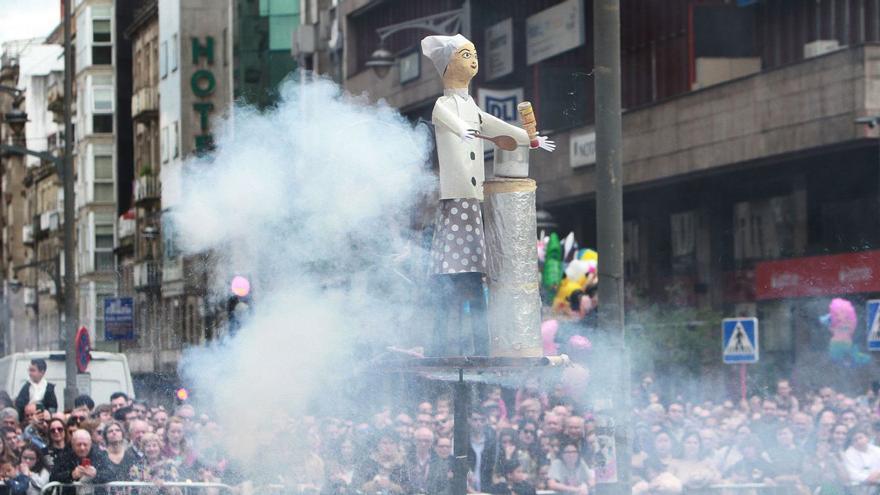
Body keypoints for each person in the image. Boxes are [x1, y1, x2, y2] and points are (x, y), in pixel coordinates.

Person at [420, 33, 554, 356]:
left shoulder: (472, 107)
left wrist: (529, 139)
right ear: (450, 63)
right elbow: (446, 118)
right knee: (450, 279)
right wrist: (459, 128)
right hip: (455, 202)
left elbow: (497, 128)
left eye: (474, 54)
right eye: (467, 55)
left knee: (472, 280)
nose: (474, 60)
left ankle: (479, 346)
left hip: (472, 201)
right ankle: (443, 347)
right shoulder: (445, 104)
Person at [401, 427, 449, 495]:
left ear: (432, 442)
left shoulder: (440, 463)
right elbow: (401, 485)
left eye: (427, 441)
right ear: (414, 441)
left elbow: (445, 488)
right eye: (419, 440)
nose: (423, 444)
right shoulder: (405, 461)